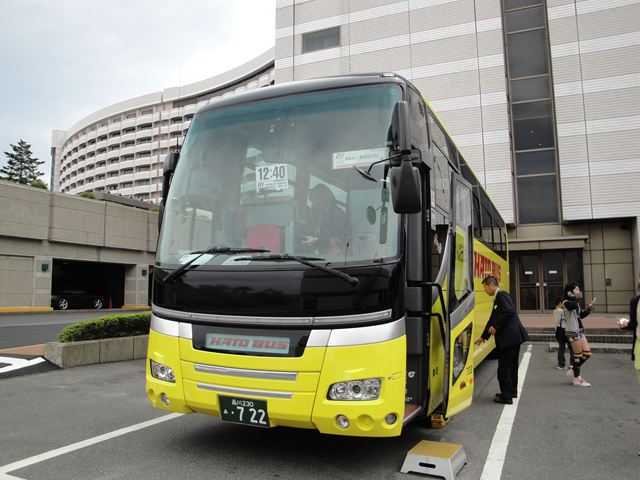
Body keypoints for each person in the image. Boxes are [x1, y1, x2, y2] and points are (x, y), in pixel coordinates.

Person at [475, 276, 529, 404]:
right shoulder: (498, 297)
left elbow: (509, 311)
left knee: (504, 368)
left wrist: (496, 326)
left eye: (485, 288)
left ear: (491, 285)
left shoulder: (501, 295)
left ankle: (506, 396)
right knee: (511, 367)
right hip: (512, 338)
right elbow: (492, 319)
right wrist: (483, 337)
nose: (485, 291)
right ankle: (511, 392)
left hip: (509, 339)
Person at [301, 184, 348, 256]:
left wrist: (316, 240)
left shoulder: (338, 214)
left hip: (331, 257)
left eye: (315, 201)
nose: (313, 205)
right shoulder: (318, 214)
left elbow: (339, 239)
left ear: (323, 199)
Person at [562, 283, 594, 387]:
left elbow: (580, 315)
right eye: (576, 289)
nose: (579, 291)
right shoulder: (566, 302)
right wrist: (573, 297)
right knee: (578, 355)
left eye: (578, 289)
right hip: (572, 331)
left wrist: (588, 309)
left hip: (580, 330)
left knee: (587, 353)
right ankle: (577, 378)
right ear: (570, 292)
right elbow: (572, 306)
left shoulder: (575, 302)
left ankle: (573, 370)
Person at [553, 296, 573, 369]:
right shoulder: (562, 311)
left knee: (561, 348)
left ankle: (561, 364)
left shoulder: (555, 311)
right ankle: (572, 364)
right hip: (566, 329)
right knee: (571, 347)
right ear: (560, 303)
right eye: (563, 303)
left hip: (558, 331)